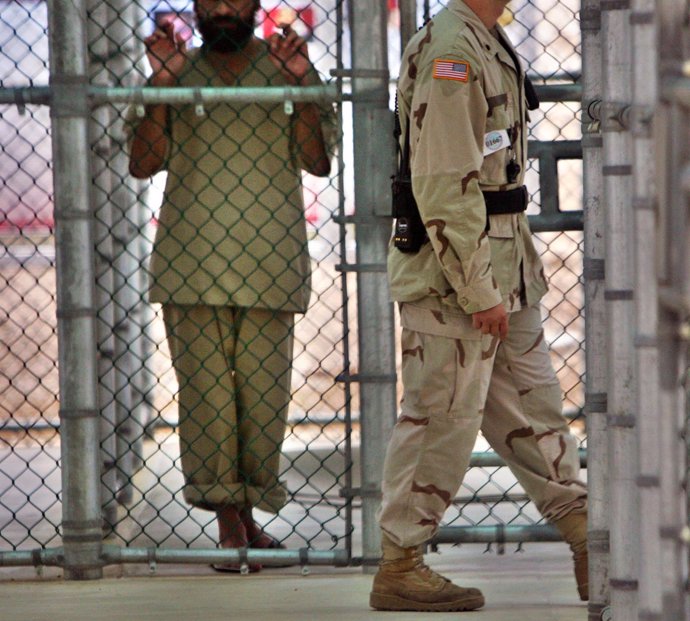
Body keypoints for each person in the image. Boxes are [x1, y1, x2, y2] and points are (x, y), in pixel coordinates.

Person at [370, 0, 588, 611]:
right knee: (441, 414)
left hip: (502, 266)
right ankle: (400, 565)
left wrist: (497, 286)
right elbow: (443, 181)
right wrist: (478, 290)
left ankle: (585, 533)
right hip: (458, 276)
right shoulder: (452, 50)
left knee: (533, 403)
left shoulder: (483, 36)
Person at [127, 0, 335, 571]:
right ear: (194, 7)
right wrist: (161, 89)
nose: (222, 9)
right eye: (211, 0)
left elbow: (318, 162)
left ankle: (244, 520)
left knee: (262, 404)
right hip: (192, 265)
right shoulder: (176, 70)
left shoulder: (285, 67)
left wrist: (302, 89)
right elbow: (143, 163)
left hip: (269, 263)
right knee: (208, 402)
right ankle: (231, 527)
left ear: (254, 6)